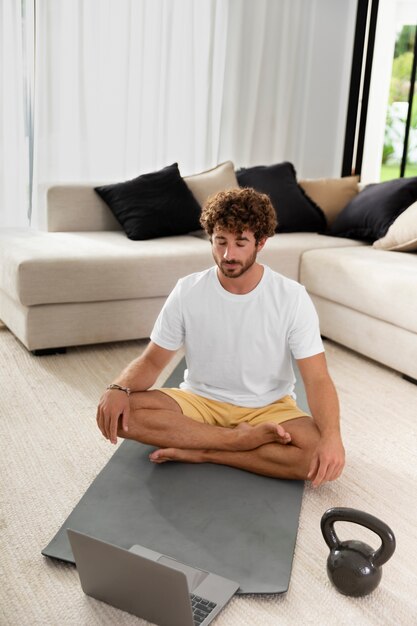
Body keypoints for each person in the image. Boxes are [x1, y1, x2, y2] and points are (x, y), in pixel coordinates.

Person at [96, 187, 345, 487]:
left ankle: (209, 451)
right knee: (123, 414)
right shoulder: (188, 290)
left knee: (315, 453)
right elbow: (152, 361)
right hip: (200, 401)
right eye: (220, 242)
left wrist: (332, 437)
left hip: (268, 407)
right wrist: (117, 388)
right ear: (211, 239)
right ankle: (236, 440)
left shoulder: (291, 297)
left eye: (241, 243)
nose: (229, 255)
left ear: (261, 242)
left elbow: (317, 378)